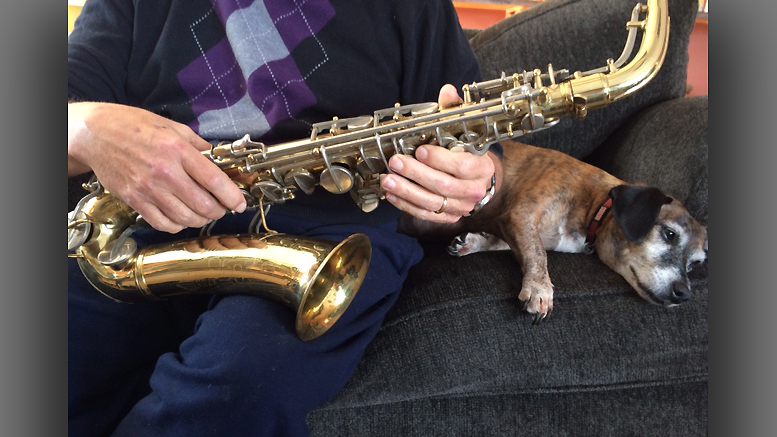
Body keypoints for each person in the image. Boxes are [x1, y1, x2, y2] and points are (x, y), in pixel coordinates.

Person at [68, 0, 502, 435]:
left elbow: (480, 152)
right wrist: (88, 127)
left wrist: (480, 181)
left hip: (328, 238)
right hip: (136, 226)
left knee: (242, 381)